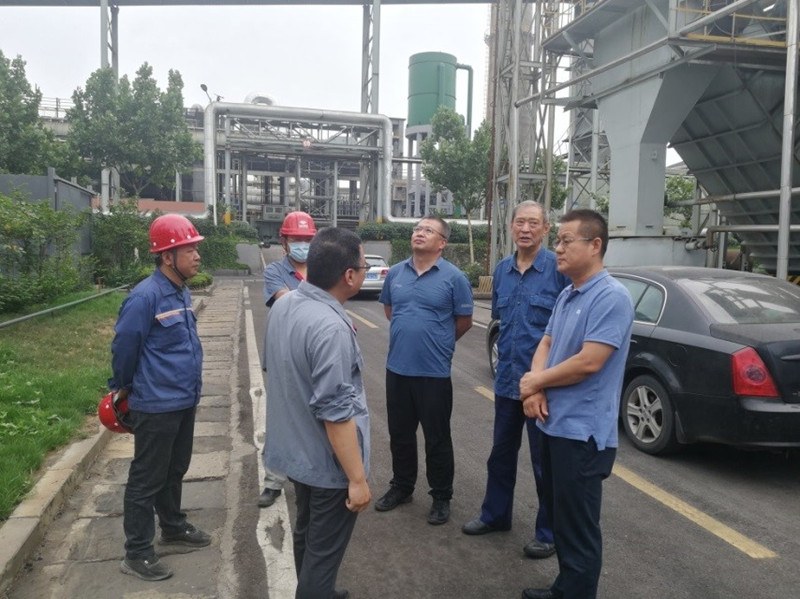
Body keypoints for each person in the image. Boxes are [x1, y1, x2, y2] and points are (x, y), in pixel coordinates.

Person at [518, 209, 634, 599]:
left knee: (579, 527)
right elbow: (547, 342)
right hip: (554, 423)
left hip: (583, 433)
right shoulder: (568, 293)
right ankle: (565, 588)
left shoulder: (611, 296)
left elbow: (589, 362)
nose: (558, 248)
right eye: (559, 241)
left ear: (595, 245)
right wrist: (535, 390)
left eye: (567, 241)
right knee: (562, 519)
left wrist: (536, 381)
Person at [264, 227, 371, 599]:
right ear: (349, 276)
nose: (364, 272)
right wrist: (357, 479)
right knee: (323, 557)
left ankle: (315, 588)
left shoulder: (284, 305)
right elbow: (336, 413)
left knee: (307, 535)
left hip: (296, 453)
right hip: (327, 465)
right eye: (363, 266)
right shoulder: (330, 327)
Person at [462, 201, 568, 560]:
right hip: (508, 383)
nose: (525, 229)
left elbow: (566, 331)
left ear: (546, 229)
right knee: (500, 456)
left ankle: (548, 533)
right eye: (520, 222)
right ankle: (495, 516)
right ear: (511, 227)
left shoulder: (558, 270)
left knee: (544, 463)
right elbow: (501, 322)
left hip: (543, 388)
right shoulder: (503, 270)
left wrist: (545, 382)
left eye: (533, 223)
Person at [110, 214, 211, 582]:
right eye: (189, 249)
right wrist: (123, 386)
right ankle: (137, 552)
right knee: (146, 478)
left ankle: (173, 526)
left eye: (196, 248)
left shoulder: (180, 290)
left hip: (183, 398)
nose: (197, 255)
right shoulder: (145, 297)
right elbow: (124, 347)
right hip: (155, 403)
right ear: (168, 257)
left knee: (175, 468)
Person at [375, 216, 473, 525]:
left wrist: (439, 343)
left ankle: (441, 496)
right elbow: (391, 311)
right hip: (397, 369)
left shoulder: (454, 278)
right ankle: (402, 487)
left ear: (442, 243)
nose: (419, 233)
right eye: (417, 228)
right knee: (400, 434)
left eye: (428, 230)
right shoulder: (396, 273)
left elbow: (464, 321)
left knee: (437, 438)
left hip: (434, 373)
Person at [259, 210, 317, 508]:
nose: (302, 245)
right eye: (296, 239)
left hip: (315, 354)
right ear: (283, 242)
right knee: (280, 419)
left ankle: (311, 474)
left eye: (307, 240)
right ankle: (273, 481)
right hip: (283, 353)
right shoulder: (274, 271)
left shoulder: (321, 269)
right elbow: (287, 301)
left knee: (317, 416)